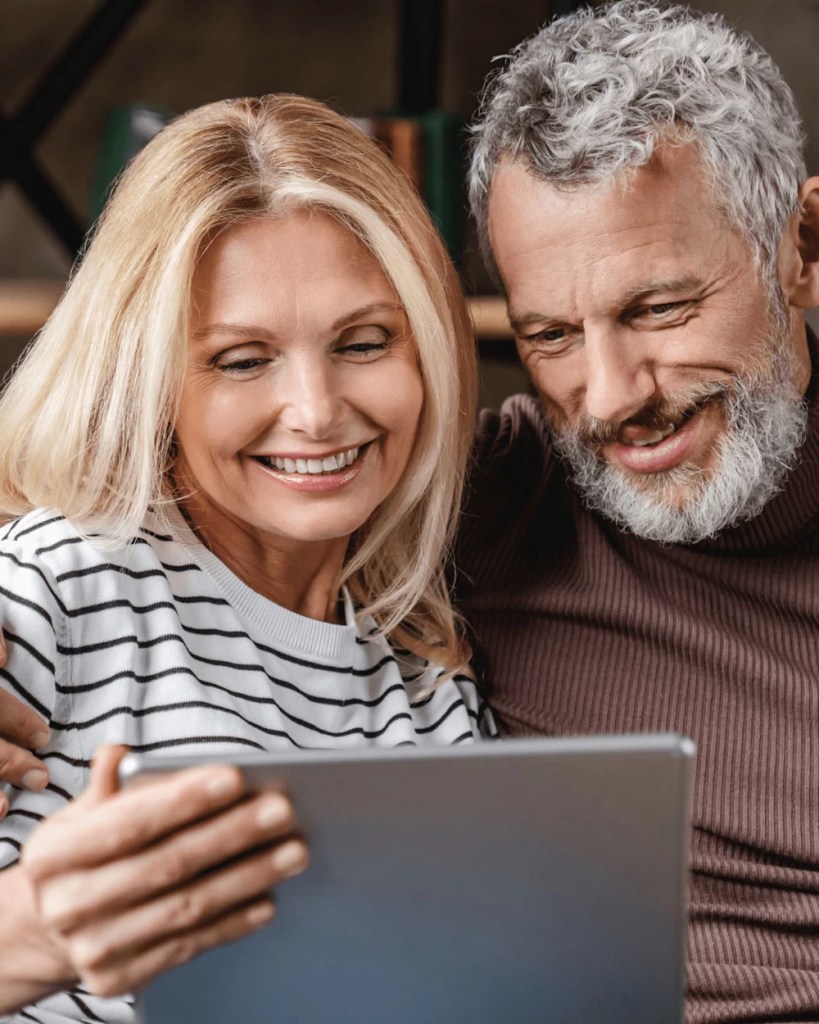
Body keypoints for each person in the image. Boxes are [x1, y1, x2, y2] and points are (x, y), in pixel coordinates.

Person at [0, 93, 490, 1023]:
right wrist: (25, 938)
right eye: (240, 359)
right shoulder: (53, 590)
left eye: (362, 343)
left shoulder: (428, 683)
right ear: (149, 378)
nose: (314, 411)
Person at [455, 2, 819, 1022]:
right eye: (552, 335)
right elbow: (125, 481)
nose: (611, 396)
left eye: (657, 310)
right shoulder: (496, 498)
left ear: (803, 245)